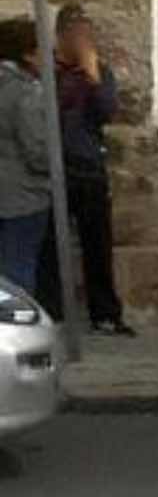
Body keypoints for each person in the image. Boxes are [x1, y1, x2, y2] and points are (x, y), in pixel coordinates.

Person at [53, 5, 134, 336]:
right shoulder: (47, 68)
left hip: (89, 168)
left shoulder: (99, 69)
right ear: (61, 35)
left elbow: (106, 113)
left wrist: (94, 76)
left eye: (86, 33)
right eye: (76, 33)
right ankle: (51, 312)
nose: (82, 39)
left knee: (97, 244)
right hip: (52, 168)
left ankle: (105, 313)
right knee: (49, 245)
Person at [0, 18, 50, 296]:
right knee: (17, 273)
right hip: (23, 197)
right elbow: (38, 150)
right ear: (28, 54)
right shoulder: (27, 91)